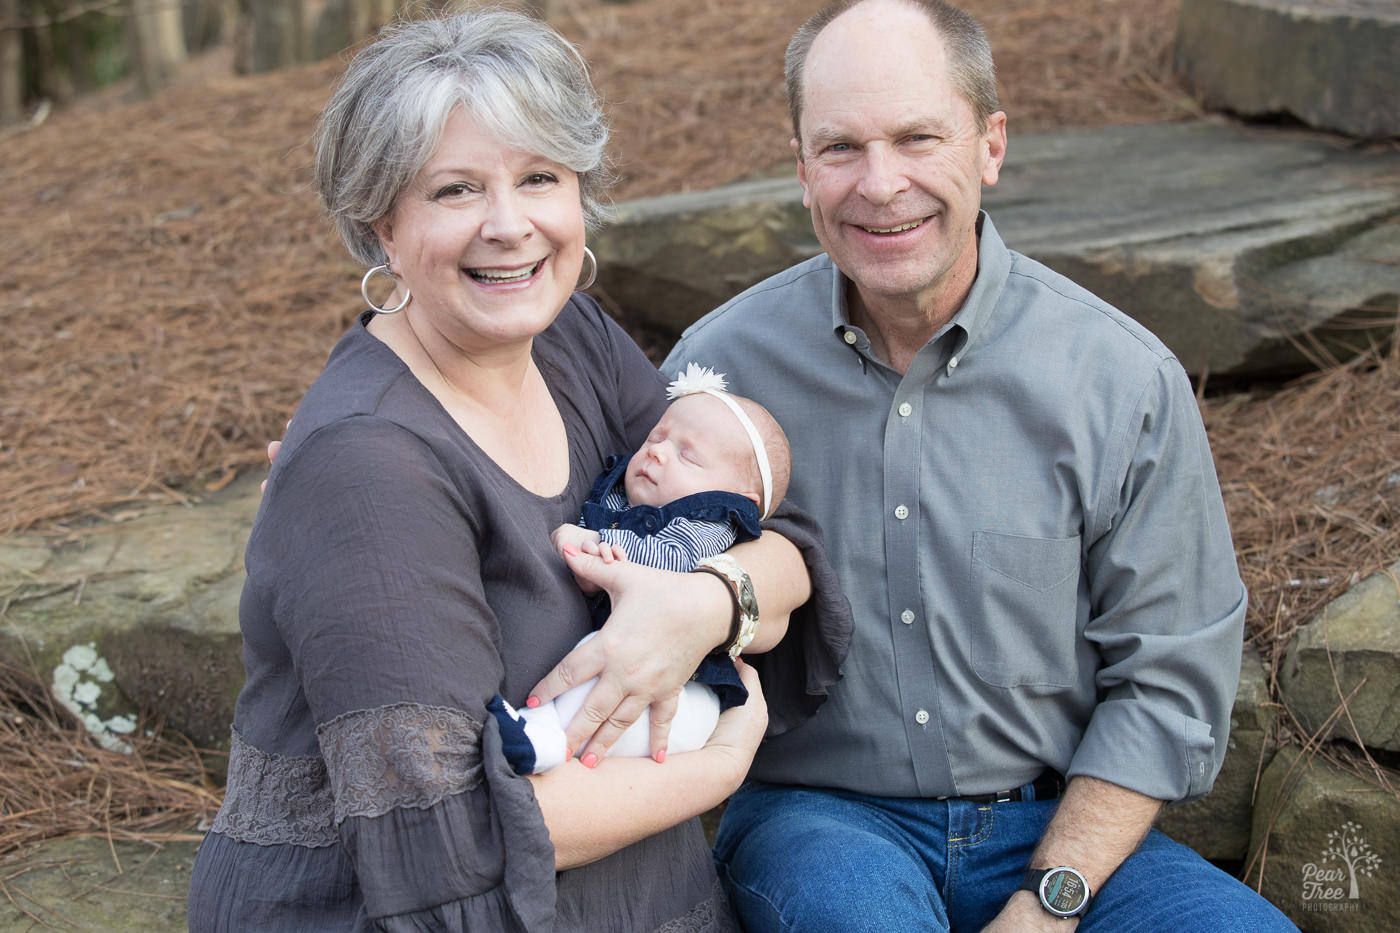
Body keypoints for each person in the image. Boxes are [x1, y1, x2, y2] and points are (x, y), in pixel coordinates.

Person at [186, 10, 847, 931]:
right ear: (382, 222)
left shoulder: (569, 334)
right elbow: (450, 837)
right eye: (456, 190)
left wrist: (705, 603)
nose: (510, 227)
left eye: (540, 177)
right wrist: (722, 765)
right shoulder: (367, 466)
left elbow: (768, 525)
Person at [660, 1, 1298, 930]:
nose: (882, 185)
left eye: (919, 137)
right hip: (822, 819)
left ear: (991, 145)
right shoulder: (717, 374)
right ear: (801, 168)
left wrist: (1052, 898)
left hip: (1060, 825)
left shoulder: (1121, 381)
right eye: (841, 148)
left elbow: (1170, 677)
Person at [492, 364, 797, 774]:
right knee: (597, 658)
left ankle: (544, 740)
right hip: (635, 677)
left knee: (600, 659)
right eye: (658, 436)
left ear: (738, 499)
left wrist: (596, 549)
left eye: (688, 456)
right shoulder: (625, 498)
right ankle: (538, 731)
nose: (657, 451)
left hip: (681, 696)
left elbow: (669, 558)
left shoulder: (709, 522)